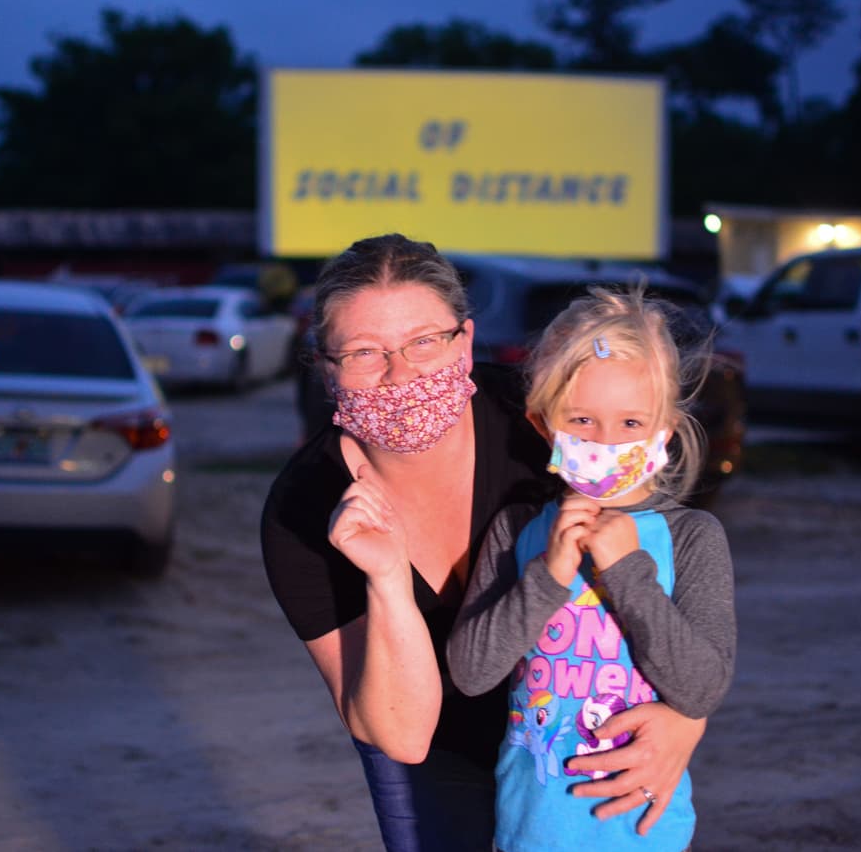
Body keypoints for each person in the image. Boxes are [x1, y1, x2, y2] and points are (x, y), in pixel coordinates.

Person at [261, 234, 709, 852]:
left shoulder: (542, 426)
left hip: (590, 730)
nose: (400, 374)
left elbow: (668, 570)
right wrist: (388, 580)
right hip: (438, 738)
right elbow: (402, 734)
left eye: (424, 341)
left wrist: (685, 719)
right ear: (326, 367)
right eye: (364, 352)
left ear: (466, 342)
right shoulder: (305, 510)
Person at [446, 285, 737, 852]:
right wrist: (550, 574)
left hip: (643, 834)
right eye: (581, 419)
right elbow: (471, 671)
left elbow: (701, 689)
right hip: (530, 830)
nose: (606, 441)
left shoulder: (692, 538)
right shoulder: (519, 531)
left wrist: (628, 571)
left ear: (666, 431)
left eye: (632, 423)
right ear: (543, 427)